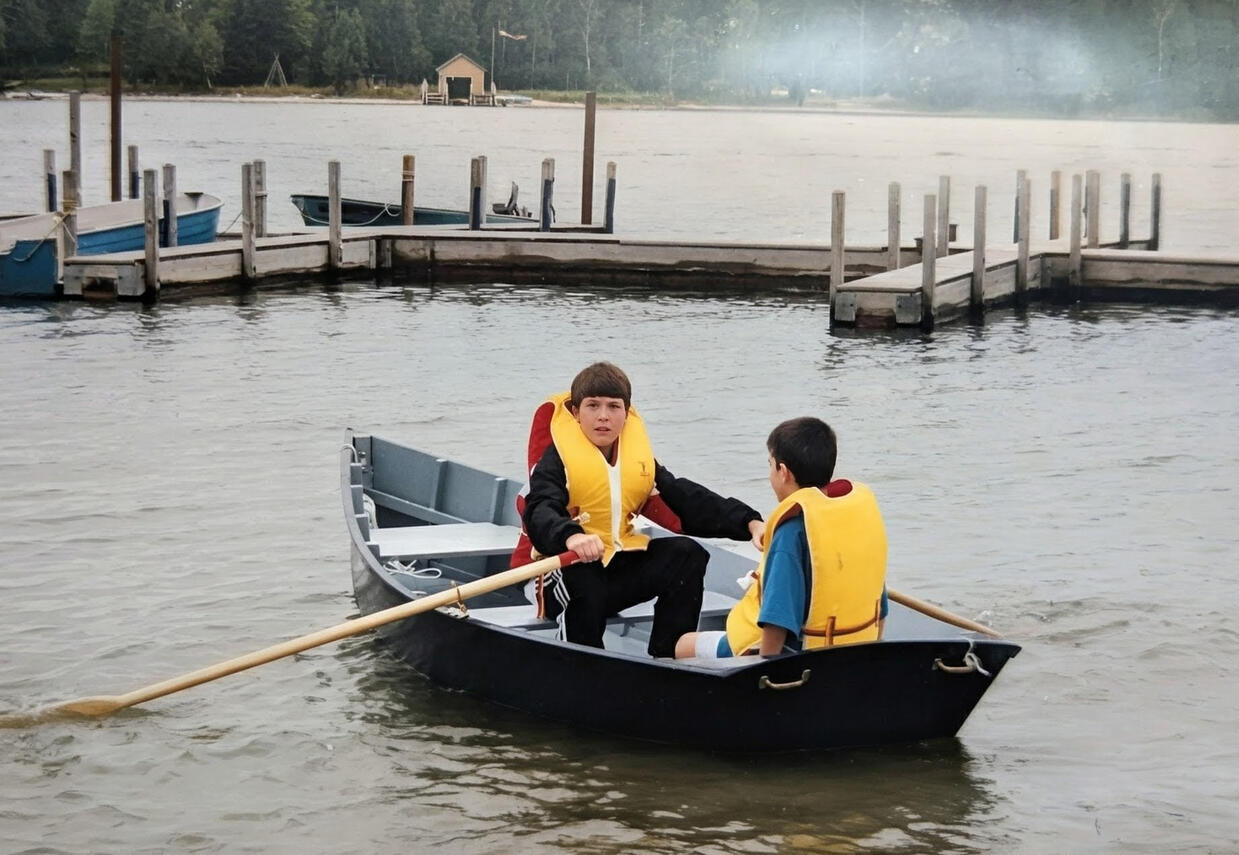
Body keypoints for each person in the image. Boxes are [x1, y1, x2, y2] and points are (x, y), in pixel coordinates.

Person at [521, 362, 765, 658]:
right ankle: (586, 667)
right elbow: (539, 511)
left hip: (611, 566)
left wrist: (750, 522)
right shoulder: (556, 460)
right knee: (584, 579)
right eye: (592, 406)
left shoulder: (637, 460)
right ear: (575, 413)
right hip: (556, 572)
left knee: (686, 554)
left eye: (614, 407)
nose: (603, 416)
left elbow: (686, 500)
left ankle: (669, 655)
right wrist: (571, 537)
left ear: (626, 414)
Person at [675, 416, 888, 659]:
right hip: (852, 647)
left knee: (682, 644)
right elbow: (880, 608)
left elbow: (777, 621)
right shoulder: (855, 517)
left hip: (795, 654)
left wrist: (766, 678)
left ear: (783, 472)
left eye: (770, 465)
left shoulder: (791, 531)